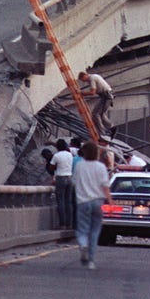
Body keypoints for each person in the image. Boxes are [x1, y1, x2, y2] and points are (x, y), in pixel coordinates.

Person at [72, 141, 112, 270]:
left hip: (83, 201)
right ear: (97, 153)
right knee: (95, 231)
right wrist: (110, 200)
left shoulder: (79, 166)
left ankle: (83, 244)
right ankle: (91, 261)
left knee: (82, 228)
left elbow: (74, 182)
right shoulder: (100, 167)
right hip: (97, 201)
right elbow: (105, 186)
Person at [78, 71, 114, 137]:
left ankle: (102, 133)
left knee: (96, 114)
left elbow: (92, 92)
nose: (83, 81)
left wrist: (81, 93)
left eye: (82, 79)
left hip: (106, 97)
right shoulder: (94, 76)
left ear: (84, 76)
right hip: (105, 96)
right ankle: (111, 127)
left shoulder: (92, 78)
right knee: (100, 113)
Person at [50, 139, 74, 229]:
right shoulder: (70, 155)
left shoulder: (56, 155)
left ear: (57, 147)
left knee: (60, 201)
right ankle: (69, 224)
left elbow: (51, 167)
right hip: (69, 178)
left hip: (60, 178)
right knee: (68, 201)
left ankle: (62, 224)